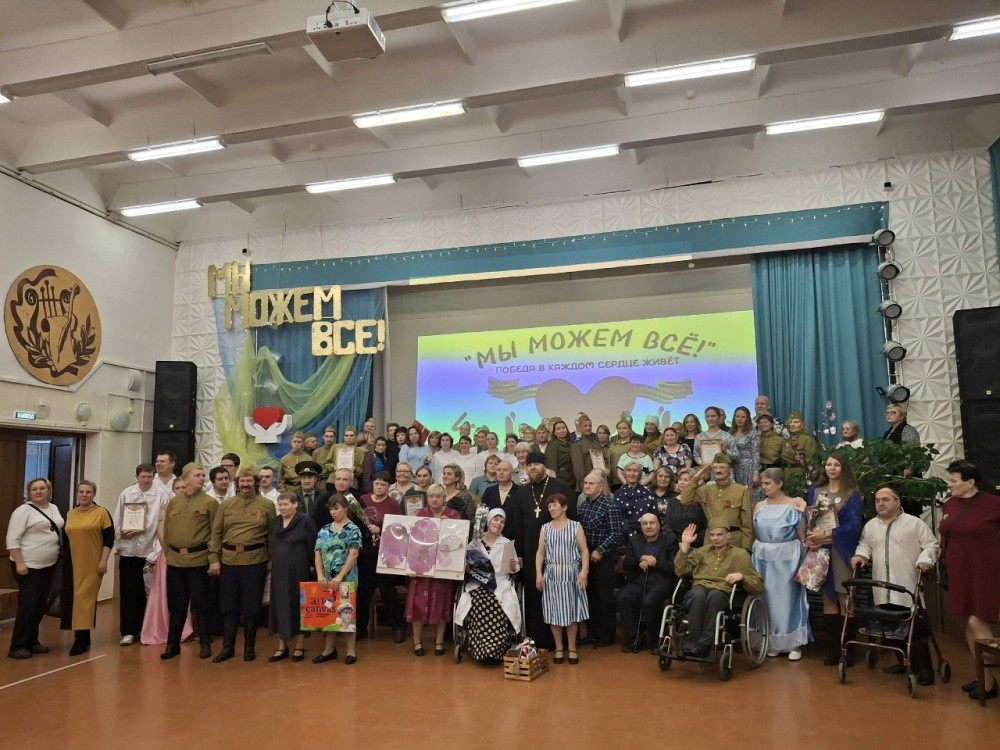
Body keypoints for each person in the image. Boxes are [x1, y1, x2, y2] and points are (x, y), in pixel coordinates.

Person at [851, 487, 939, 686]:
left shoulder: (913, 523)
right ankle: (905, 662)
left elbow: (932, 545)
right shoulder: (871, 526)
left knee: (916, 630)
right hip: (882, 588)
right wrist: (860, 556)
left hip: (907, 586)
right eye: (877, 500)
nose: (880, 503)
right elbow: (865, 545)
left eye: (886, 499)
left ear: (898, 502)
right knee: (890, 629)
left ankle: (926, 670)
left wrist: (925, 560)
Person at [938, 460, 1000, 701]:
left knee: (976, 621)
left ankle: (989, 681)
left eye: (954, 481)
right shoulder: (949, 504)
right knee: (968, 622)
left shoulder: (993, 504)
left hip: (988, 573)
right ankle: (982, 677)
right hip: (960, 573)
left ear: (970, 482)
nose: (949, 485)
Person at [209, 466, 275, 662]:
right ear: (237, 484)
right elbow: (216, 534)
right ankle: (228, 647)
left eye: (249, 480)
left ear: (256, 482)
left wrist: (271, 560)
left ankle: (249, 648)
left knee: (251, 607)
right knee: (229, 606)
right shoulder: (226, 505)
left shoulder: (267, 505)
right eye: (242, 481)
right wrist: (214, 559)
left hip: (255, 561)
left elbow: (272, 535)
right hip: (229, 561)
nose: (245, 484)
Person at [674, 523, 764, 658]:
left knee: (714, 597)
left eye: (719, 534)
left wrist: (742, 576)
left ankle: (704, 645)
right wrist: (685, 546)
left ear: (728, 536)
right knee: (697, 595)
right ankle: (691, 645)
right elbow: (680, 571)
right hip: (700, 587)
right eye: (712, 535)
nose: (715, 538)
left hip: (723, 590)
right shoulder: (702, 552)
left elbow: (758, 585)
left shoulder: (739, 554)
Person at [514, 451, 576, 649]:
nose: (532, 467)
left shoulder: (561, 487)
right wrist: (519, 554)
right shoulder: (523, 491)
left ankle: (560, 642)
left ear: (544, 466)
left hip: (559, 552)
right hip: (530, 550)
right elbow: (518, 524)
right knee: (534, 594)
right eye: (529, 465)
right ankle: (537, 639)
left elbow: (572, 519)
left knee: (558, 595)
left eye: (536, 464)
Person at [806, 453, 863, 665]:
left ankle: (848, 649)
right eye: (828, 464)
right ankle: (834, 650)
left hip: (842, 551)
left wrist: (830, 533)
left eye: (836, 464)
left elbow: (855, 525)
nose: (832, 468)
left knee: (845, 598)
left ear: (843, 468)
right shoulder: (816, 492)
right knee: (828, 599)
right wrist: (812, 539)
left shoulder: (852, 493)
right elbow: (810, 520)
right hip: (821, 551)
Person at [161, 462, 218, 660]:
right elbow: (167, 530)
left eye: (203, 475)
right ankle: (172, 645)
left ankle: (205, 643)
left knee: (201, 604)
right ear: (185, 480)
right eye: (197, 475)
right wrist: (169, 554)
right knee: (176, 603)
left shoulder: (210, 503)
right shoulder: (174, 502)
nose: (202, 478)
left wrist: (214, 559)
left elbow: (215, 534)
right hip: (175, 561)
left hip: (199, 560)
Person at [752, 468, 810, 661]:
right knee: (766, 598)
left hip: (787, 559)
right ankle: (771, 641)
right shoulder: (759, 506)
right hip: (762, 558)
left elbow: (802, 536)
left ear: (780, 483)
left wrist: (803, 561)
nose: (764, 487)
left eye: (767, 483)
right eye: (762, 483)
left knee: (787, 599)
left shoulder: (794, 506)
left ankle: (793, 643)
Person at [6, 478, 64, 660]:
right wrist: (20, 563)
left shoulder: (54, 508)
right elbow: (12, 540)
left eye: (42, 488)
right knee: (30, 604)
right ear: (29, 493)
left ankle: (31, 640)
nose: (38, 491)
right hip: (27, 566)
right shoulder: (23, 511)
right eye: (34, 489)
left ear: (48, 490)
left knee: (41, 604)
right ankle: (18, 645)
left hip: (49, 564)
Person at [113, 463, 170, 646]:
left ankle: (148, 628)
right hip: (129, 550)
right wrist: (122, 533)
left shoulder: (162, 494)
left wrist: (159, 548)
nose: (146, 480)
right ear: (136, 477)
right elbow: (118, 518)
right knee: (129, 591)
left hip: (150, 550)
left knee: (149, 592)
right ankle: (129, 631)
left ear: (153, 476)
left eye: (149, 476)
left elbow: (163, 523)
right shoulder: (126, 493)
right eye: (142, 476)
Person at [455, 508, 521, 661]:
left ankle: (495, 650)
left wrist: (513, 566)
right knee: (478, 601)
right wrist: (468, 566)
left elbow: (515, 567)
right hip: (479, 583)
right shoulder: (476, 542)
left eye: (502, 521)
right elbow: (464, 564)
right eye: (496, 520)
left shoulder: (506, 543)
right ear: (488, 521)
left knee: (496, 602)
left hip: (500, 583)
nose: (499, 523)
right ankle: (481, 649)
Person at [59, 480, 114, 655]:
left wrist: (103, 560)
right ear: (77, 493)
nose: (84, 495)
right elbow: (65, 541)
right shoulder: (70, 514)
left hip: (93, 564)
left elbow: (109, 539)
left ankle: (80, 640)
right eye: (81, 492)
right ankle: (83, 635)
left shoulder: (101, 513)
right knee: (74, 599)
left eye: (88, 492)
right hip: (73, 564)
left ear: (93, 494)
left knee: (85, 600)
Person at [406, 484, 461, 657]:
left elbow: (458, 541)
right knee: (417, 604)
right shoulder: (418, 514)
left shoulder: (453, 515)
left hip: (443, 567)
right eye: (431, 496)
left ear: (444, 498)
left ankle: (439, 641)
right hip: (420, 566)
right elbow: (409, 542)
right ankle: (417, 641)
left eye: (438, 496)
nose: (434, 499)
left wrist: (449, 526)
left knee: (441, 603)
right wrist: (409, 566)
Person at [536, 493, 589, 665]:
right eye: (549, 506)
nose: (551, 508)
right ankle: (559, 647)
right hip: (552, 573)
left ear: (564, 507)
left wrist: (584, 572)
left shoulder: (575, 526)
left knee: (571, 612)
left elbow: (584, 551)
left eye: (555, 505)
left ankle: (572, 647)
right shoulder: (545, 528)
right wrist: (538, 574)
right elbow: (540, 553)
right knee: (554, 612)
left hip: (571, 573)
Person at [141, 477, 194, 646]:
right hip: (169, 554)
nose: (181, 490)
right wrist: (170, 551)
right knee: (166, 592)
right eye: (178, 488)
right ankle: (163, 628)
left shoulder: (194, 506)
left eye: (184, 487)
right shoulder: (166, 507)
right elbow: (160, 531)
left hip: (190, 555)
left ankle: (188, 628)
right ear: (173, 490)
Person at [268, 492, 318, 662]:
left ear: (295, 504)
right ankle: (281, 646)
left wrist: (313, 568)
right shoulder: (275, 522)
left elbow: (313, 547)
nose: (283, 508)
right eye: (280, 505)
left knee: (298, 605)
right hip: (279, 571)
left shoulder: (305, 521)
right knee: (279, 605)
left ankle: (299, 646)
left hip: (299, 570)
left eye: (286, 504)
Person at [618, 513, 678, 653]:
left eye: (652, 523)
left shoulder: (670, 540)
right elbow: (626, 565)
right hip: (639, 580)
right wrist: (640, 558)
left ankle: (655, 642)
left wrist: (656, 561)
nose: (648, 526)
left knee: (649, 602)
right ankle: (635, 639)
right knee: (623, 597)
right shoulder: (635, 540)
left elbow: (675, 568)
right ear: (641, 527)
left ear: (659, 525)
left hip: (660, 581)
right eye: (644, 524)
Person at [313, 495, 363, 664]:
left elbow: (353, 554)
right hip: (327, 580)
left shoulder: (353, 529)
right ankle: (329, 649)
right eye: (331, 509)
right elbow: (318, 554)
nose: (333, 512)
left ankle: (351, 651)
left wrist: (340, 576)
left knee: (346, 614)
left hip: (346, 579)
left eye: (336, 508)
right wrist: (320, 575)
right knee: (328, 614)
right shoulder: (324, 529)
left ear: (345, 508)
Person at [578, 471, 625, 649]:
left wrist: (600, 550)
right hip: (586, 555)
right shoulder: (584, 505)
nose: (587, 486)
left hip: (604, 557)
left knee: (604, 596)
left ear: (600, 486)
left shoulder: (609, 505)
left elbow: (616, 533)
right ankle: (592, 633)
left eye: (591, 483)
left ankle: (607, 635)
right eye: (585, 483)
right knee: (590, 596)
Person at [360, 471, 406, 642]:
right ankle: (361, 627)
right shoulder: (363, 500)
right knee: (364, 590)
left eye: (383, 484)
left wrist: (381, 529)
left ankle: (398, 627)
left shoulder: (393, 504)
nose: (379, 487)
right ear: (372, 484)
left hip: (386, 553)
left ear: (388, 487)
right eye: (377, 483)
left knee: (387, 591)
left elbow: (398, 528)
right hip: (366, 553)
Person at [679, 454, 753, 550]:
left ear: (730, 470)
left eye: (722, 467)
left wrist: (746, 549)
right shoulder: (705, 490)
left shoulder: (741, 490)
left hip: (733, 541)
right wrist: (697, 477)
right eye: (715, 467)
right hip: (711, 541)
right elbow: (685, 499)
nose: (718, 470)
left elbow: (747, 524)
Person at [661, 468, 707, 547]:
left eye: (686, 480)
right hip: (675, 545)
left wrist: (691, 541)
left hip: (696, 545)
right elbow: (668, 527)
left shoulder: (700, 502)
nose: (681, 482)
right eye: (680, 479)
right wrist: (678, 543)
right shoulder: (672, 502)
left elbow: (704, 527)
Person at [615, 461, 657, 538]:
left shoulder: (648, 492)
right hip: (625, 536)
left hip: (646, 536)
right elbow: (618, 517)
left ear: (639, 474)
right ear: (625, 473)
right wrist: (631, 536)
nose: (632, 473)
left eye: (635, 471)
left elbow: (654, 516)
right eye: (629, 470)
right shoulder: (618, 493)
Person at [571, 413, 610, 492]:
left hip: (600, 483)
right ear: (579, 428)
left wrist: (608, 469)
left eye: (590, 426)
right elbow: (579, 470)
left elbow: (605, 460)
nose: (588, 428)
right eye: (585, 426)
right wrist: (585, 486)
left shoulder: (596, 443)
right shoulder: (577, 445)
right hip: (587, 485)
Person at [729, 406, 761, 491]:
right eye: (737, 416)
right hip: (734, 469)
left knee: (748, 493)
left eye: (743, 417)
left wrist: (756, 473)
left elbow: (756, 453)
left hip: (748, 468)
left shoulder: (752, 432)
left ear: (747, 419)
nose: (740, 419)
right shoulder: (730, 432)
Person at [781, 411, 819, 476]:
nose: (792, 424)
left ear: (802, 425)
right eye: (790, 422)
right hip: (785, 474)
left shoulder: (808, 440)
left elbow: (812, 463)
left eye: (796, 422)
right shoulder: (785, 441)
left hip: (801, 475)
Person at [545, 419, 575, 487]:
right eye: (558, 429)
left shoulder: (570, 444)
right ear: (555, 432)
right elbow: (552, 465)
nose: (561, 431)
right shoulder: (553, 444)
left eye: (563, 428)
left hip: (571, 479)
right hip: (560, 480)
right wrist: (555, 482)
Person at [608, 418, 635, 488]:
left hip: (629, 481)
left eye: (624, 428)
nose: (621, 431)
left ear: (630, 430)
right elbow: (608, 462)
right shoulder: (613, 445)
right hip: (614, 482)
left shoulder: (634, 445)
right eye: (619, 428)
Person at [311, 426, 338, 491]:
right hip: (321, 484)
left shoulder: (339, 451)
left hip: (335, 482)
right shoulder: (316, 452)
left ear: (334, 438)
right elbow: (313, 471)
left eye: (331, 437)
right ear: (323, 437)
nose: (329, 439)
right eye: (327, 436)